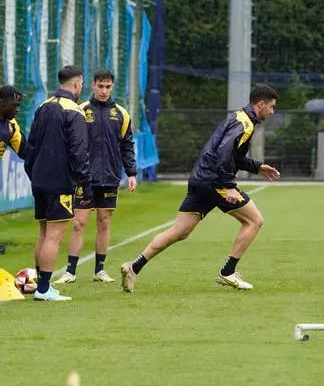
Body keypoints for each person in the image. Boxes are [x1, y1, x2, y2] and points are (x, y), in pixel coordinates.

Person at [120, 83, 281, 293]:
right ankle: (228, 272)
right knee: (254, 221)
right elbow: (224, 154)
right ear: (261, 104)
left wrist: (258, 167)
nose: (272, 111)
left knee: (180, 231)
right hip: (215, 182)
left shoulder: (238, 117)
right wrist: (229, 186)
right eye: (272, 107)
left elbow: (234, 156)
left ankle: (133, 267)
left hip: (200, 179)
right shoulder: (245, 124)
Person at [53, 69, 137, 285]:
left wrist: (131, 173)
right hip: (84, 178)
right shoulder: (81, 110)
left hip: (109, 177)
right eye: (100, 86)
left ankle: (99, 270)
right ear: (92, 86)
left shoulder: (121, 114)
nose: (104, 90)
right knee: (79, 223)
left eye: (108, 86)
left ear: (112, 87)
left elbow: (127, 145)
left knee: (104, 222)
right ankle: (70, 271)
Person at [24, 65, 91, 301]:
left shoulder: (42, 106)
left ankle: (41, 287)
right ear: (77, 83)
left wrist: (33, 174)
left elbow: (30, 146)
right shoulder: (74, 111)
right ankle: (43, 290)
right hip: (60, 181)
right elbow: (79, 151)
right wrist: (83, 183)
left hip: (39, 180)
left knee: (43, 233)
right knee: (54, 235)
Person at [0, 85, 27, 159]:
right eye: (14, 105)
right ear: (1, 103)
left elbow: (26, 152)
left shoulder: (12, 125)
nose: (18, 109)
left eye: (18, 106)